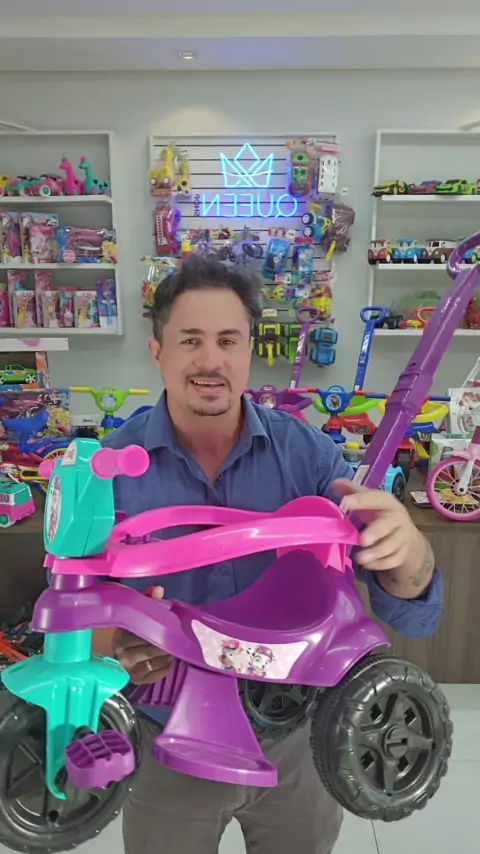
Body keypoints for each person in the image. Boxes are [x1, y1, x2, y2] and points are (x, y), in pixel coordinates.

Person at [98, 257, 442, 854]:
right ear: (158, 352)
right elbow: (70, 609)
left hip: (298, 743)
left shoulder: (310, 458)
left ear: (250, 351)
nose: (210, 360)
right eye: (190, 340)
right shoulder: (106, 470)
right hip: (166, 744)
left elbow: (414, 611)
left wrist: (408, 549)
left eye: (228, 340)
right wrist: (113, 645)